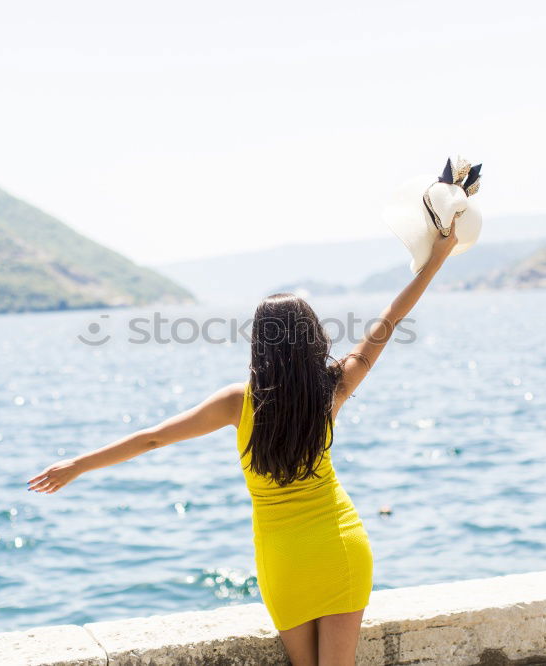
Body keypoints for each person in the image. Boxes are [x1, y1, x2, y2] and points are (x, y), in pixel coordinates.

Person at [27, 222, 460, 665]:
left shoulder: (238, 402)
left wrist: (77, 464)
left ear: (260, 345)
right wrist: (437, 259)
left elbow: (152, 438)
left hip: (284, 557)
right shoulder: (334, 387)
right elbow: (390, 319)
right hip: (340, 545)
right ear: (313, 337)